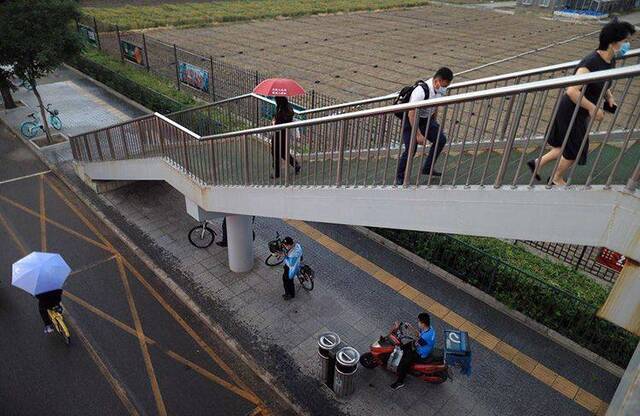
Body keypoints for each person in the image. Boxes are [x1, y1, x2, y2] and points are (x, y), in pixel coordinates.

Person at [528, 20, 635, 186]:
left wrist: (609, 96)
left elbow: (602, 80)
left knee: (565, 145)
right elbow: (571, 90)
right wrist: (593, 108)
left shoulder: (610, 60)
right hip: (571, 110)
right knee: (575, 150)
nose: (627, 45)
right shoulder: (591, 62)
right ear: (613, 43)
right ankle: (556, 179)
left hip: (579, 111)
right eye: (625, 41)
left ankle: (536, 164)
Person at [396, 67, 454, 185]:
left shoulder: (438, 91)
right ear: (438, 81)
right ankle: (400, 176)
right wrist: (418, 135)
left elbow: (435, 106)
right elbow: (411, 113)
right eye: (444, 85)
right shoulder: (421, 91)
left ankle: (427, 168)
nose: (444, 88)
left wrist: (434, 121)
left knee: (440, 139)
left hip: (426, 119)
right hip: (411, 120)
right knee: (411, 149)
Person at [391, 312, 436, 390]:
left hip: (420, 353)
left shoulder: (426, 336)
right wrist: (410, 328)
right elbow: (419, 335)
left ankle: (400, 382)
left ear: (423, 324)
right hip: (422, 345)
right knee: (404, 347)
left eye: (419, 321)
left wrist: (405, 337)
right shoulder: (429, 329)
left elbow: (416, 343)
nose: (418, 323)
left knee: (404, 363)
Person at [272, 97, 301, 179]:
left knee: (276, 152)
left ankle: (277, 173)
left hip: (279, 134)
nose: (275, 100)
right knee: (283, 153)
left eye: (276, 99)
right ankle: (296, 165)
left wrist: (274, 122)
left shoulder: (283, 110)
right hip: (283, 134)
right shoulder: (286, 107)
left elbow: (279, 123)